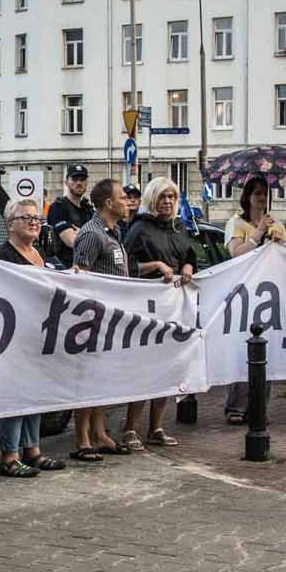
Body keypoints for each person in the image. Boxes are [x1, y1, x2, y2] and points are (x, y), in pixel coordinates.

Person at [0, 197, 62, 476]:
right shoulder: (3, 258)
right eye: (26, 218)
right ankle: (9, 456)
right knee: (14, 394)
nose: (34, 222)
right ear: (10, 224)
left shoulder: (40, 253)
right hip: (13, 337)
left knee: (35, 392)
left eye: (37, 218)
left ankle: (32, 450)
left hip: (38, 334)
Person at [121, 177, 194, 449]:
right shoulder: (139, 229)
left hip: (173, 308)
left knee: (166, 370)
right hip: (146, 307)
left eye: (172, 197)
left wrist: (187, 267)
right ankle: (130, 428)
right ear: (153, 199)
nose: (167, 202)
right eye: (163, 196)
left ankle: (156, 427)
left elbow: (189, 255)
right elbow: (127, 266)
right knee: (144, 369)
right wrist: (156, 265)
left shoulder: (178, 227)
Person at [67, 178, 132, 463]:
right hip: (93, 319)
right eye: (122, 197)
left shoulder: (113, 232)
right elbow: (80, 275)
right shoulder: (92, 234)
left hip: (112, 320)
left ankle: (100, 432)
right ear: (108, 203)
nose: (127, 201)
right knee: (87, 380)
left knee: (102, 380)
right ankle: (82, 438)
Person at [220, 176, 286, 423]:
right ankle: (236, 406)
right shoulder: (236, 223)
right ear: (247, 196)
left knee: (265, 351)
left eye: (265, 192)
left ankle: (259, 407)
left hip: (270, 294)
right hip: (244, 293)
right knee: (242, 349)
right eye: (257, 192)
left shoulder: (276, 224)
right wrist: (258, 233)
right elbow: (236, 253)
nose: (261, 197)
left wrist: (282, 241)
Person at [45, 164, 94, 264]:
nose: (79, 183)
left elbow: (104, 238)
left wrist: (80, 233)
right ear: (66, 182)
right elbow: (72, 241)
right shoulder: (58, 207)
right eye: (75, 179)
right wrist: (91, 234)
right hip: (65, 269)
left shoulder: (88, 209)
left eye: (82, 179)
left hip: (88, 266)